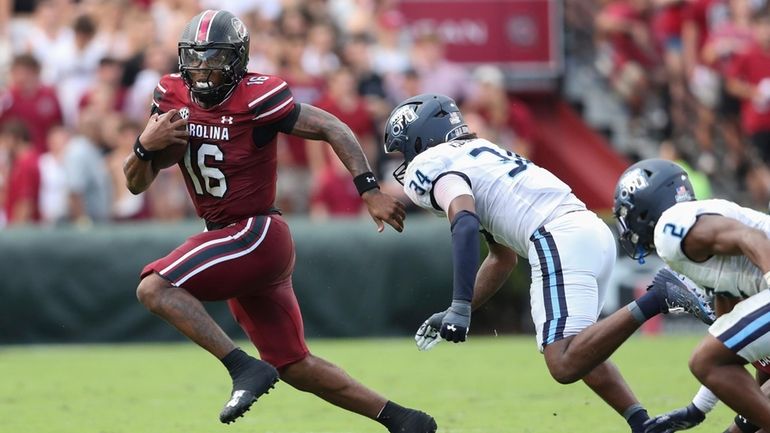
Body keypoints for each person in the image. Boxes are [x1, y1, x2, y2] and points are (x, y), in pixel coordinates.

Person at [122, 10, 435, 432]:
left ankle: (241, 367)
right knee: (293, 364)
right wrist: (144, 147)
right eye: (194, 59)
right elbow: (135, 184)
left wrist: (369, 189)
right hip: (231, 239)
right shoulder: (170, 94)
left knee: (154, 287)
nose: (203, 70)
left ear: (237, 60)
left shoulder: (257, 95)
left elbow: (331, 125)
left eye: (214, 59)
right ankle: (402, 420)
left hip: (254, 231)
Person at [383, 94, 715, 433]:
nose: (404, 160)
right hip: (588, 231)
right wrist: (461, 307)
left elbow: (464, 219)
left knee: (564, 361)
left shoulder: (431, 163)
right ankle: (640, 422)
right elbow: (502, 258)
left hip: (556, 236)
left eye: (403, 148)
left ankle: (658, 295)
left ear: (421, 138)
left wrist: (458, 306)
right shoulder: (484, 153)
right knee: (583, 347)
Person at [613, 158, 770, 432]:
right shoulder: (696, 236)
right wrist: (696, 410)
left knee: (704, 360)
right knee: (750, 415)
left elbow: (752, 238)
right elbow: (726, 335)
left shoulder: (669, 229)